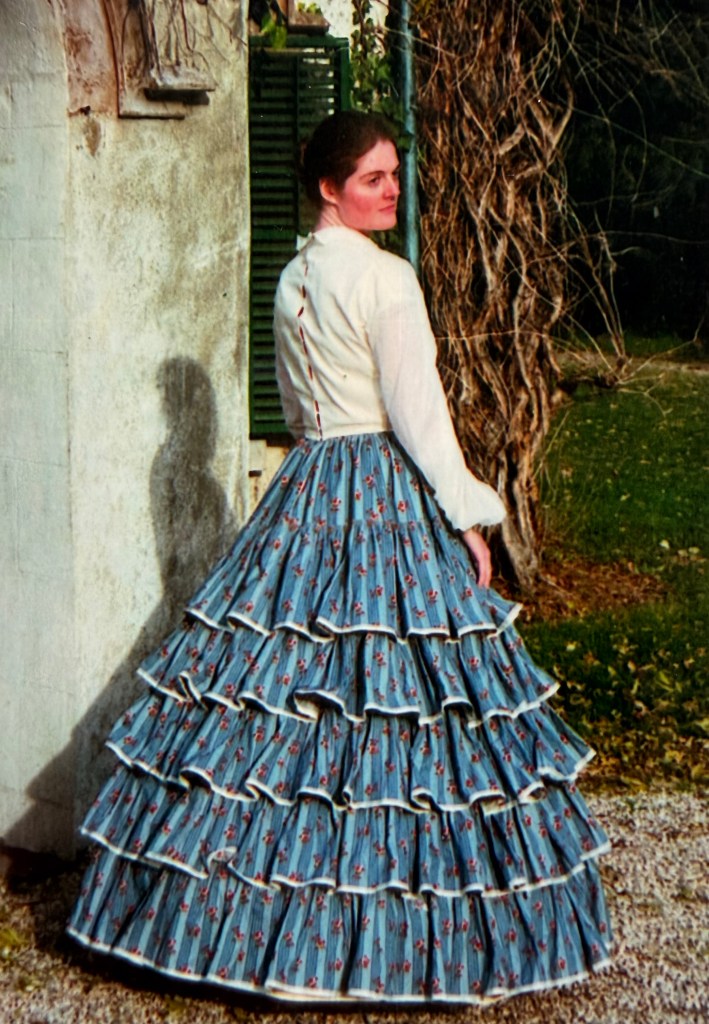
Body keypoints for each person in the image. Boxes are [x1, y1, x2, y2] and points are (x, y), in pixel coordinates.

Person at [68, 111, 611, 1004]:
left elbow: (292, 405)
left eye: (394, 174)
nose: (391, 190)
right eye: (372, 178)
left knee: (284, 695)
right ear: (330, 187)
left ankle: (245, 926)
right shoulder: (387, 278)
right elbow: (416, 412)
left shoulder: (292, 279)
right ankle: (377, 931)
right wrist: (467, 513)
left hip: (309, 482)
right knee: (395, 703)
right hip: (380, 484)